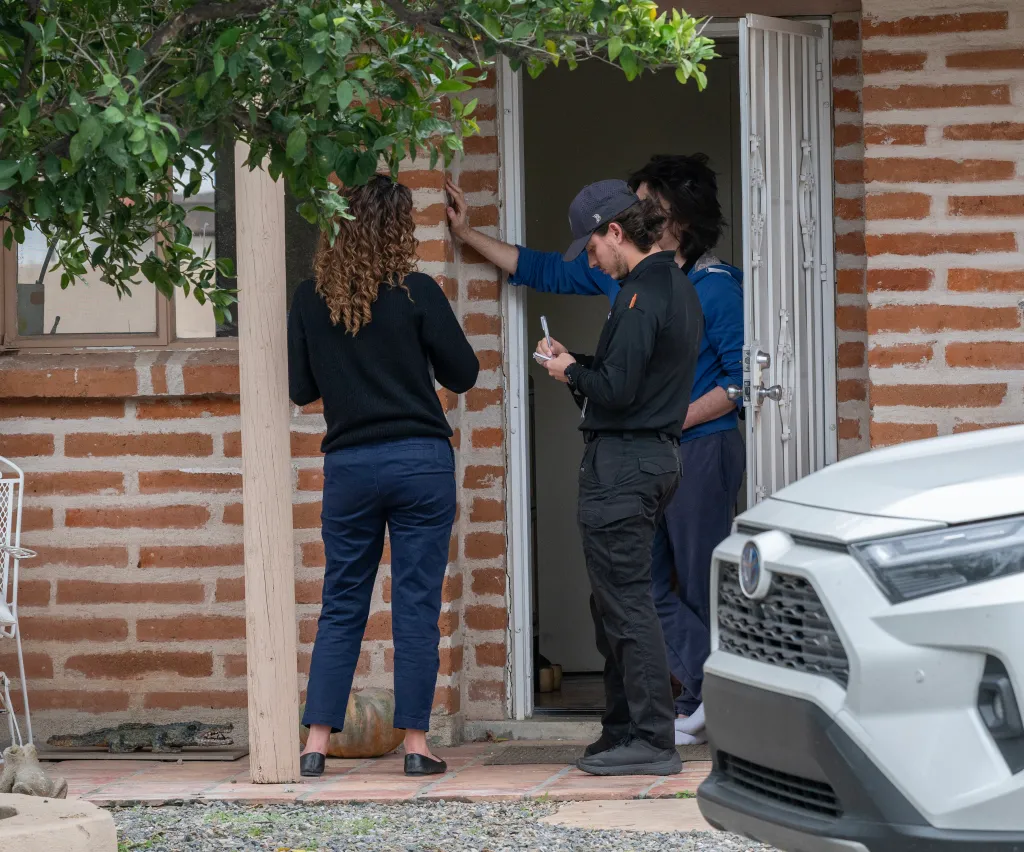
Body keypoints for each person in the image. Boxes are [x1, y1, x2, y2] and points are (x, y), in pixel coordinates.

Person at [446, 154, 744, 744]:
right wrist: (465, 234)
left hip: (701, 450)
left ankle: (720, 700)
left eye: (649, 205)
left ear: (681, 219)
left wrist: (663, 418)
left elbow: (738, 382)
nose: (637, 212)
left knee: (699, 583)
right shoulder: (622, 276)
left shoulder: (714, 287)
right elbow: (541, 269)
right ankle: (704, 693)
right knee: (644, 584)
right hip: (653, 450)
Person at [288, 174, 479, 779]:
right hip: (419, 462)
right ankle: (417, 746)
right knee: (416, 604)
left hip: (349, 466)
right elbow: (464, 373)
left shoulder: (310, 298)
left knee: (342, 600)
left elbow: (301, 388)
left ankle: (316, 743)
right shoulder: (416, 292)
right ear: (398, 230)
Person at [536, 180, 703, 776]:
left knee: (627, 604)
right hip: (646, 459)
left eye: (591, 247)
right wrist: (574, 362)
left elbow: (617, 389)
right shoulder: (669, 286)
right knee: (612, 601)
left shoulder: (642, 292)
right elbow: (626, 375)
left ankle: (652, 739)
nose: (590, 260)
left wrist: (568, 372)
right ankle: (623, 729)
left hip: (626, 465)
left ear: (614, 231)